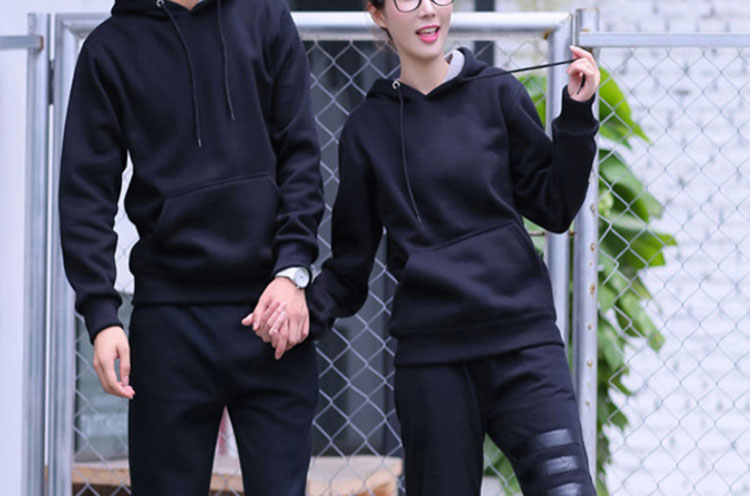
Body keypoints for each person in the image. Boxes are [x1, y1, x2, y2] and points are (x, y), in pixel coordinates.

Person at [254, 0, 601, 494]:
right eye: (407, 0)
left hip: (523, 347)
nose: (427, 11)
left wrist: (577, 114)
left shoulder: (498, 93)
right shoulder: (367, 128)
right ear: (378, 14)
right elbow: (351, 268)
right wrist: (298, 308)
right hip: (433, 363)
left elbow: (555, 206)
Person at [58, 0, 323, 493]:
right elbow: (85, 194)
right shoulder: (110, 50)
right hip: (170, 321)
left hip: (271, 312)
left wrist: (293, 270)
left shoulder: (265, 17)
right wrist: (101, 315)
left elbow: (301, 158)